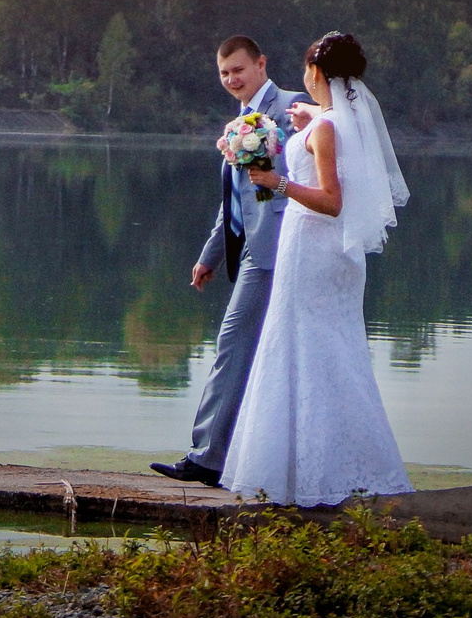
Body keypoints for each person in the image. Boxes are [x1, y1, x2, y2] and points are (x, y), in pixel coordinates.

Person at [218, 30, 414, 506]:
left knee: (303, 346)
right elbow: (330, 147)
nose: (304, 76)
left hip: (311, 249)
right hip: (328, 254)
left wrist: (277, 183)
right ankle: (328, 467)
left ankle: (298, 473)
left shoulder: (327, 128)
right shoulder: (337, 122)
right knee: (330, 350)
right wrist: (308, 120)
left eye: (308, 68)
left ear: (317, 73)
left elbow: (331, 200)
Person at [150, 35, 307, 486]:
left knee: (233, 345)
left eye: (238, 69)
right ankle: (240, 456)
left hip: (280, 249)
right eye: (224, 73)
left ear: (261, 64)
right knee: (254, 352)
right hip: (252, 249)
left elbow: (306, 175)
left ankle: (207, 458)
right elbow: (237, 199)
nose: (232, 79)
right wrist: (211, 256)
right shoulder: (241, 122)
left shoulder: (291, 108)